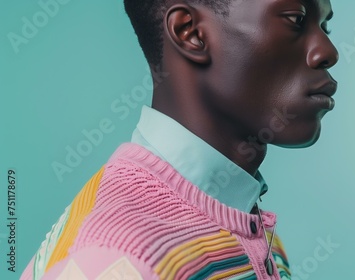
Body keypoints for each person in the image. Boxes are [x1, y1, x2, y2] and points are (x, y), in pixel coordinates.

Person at [20, 0, 338, 279]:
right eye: (296, 19)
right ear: (190, 32)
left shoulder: (249, 224)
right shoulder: (119, 258)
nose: (328, 51)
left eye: (324, 25)